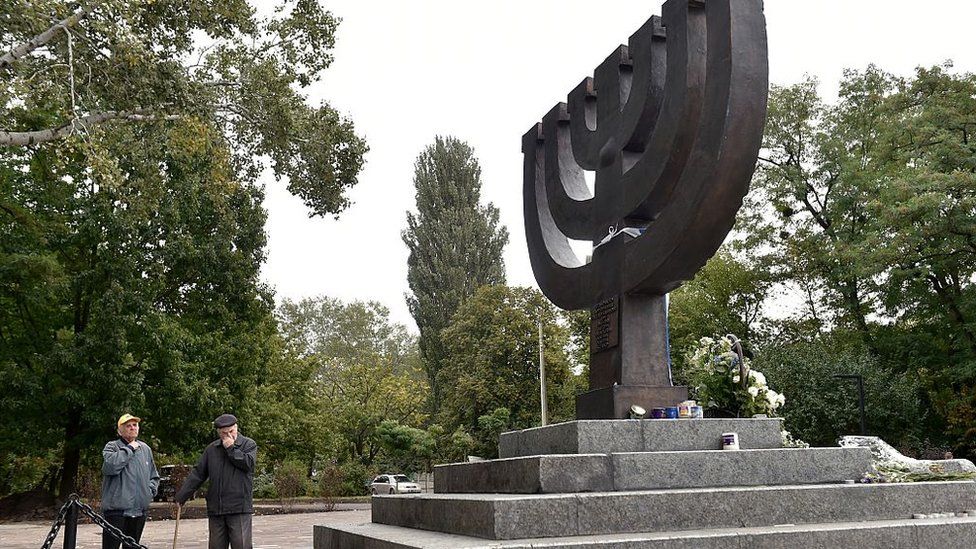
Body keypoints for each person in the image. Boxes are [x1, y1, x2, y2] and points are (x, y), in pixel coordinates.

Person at [176, 413, 257, 549]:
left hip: (239, 507)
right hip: (216, 508)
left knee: (241, 545)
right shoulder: (212, 449)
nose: (229, 436)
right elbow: (198, 473)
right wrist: (182, 496)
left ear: (236, 427)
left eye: (231, 431)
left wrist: (231, 448)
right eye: (224, 433)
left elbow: (248, 464)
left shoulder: (248, 444)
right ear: (219, 432)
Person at [101, 413, 159, 549]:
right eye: (128, 426)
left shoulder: (145, 449)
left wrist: (149, 492)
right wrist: (129, 449)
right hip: (116, 511)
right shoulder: (112, 447)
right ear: (119, 431)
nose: (132, 428)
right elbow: (110, 467)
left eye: (135, 425)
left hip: (139, 511)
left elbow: (154, 475)